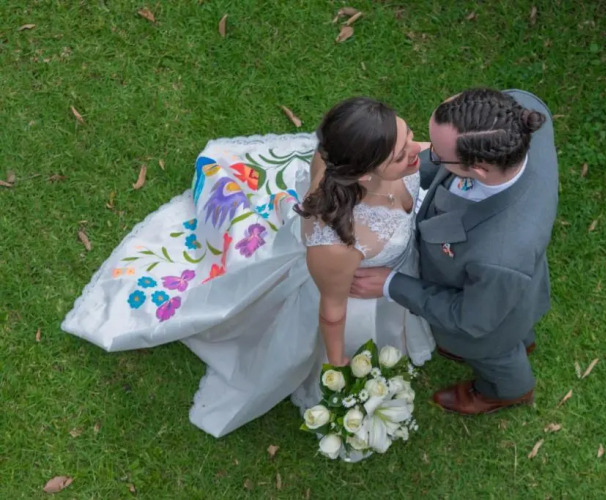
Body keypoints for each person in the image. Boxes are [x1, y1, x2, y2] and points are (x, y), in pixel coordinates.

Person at [62, 97, 434, 438]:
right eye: (401, 154)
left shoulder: (382, 158)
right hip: (353, 296)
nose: (417, 149)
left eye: (408, 136)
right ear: (365, 175)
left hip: (384, 271)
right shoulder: (337, 244)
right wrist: (338, 364)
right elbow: (332, 312)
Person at [351, 88, 558, 415]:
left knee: (496, 351)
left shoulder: (499, 255)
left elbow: (471, 319)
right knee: (516, 323)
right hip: (509, 285)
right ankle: (522, 336)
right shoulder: (518, 111)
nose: (425, 152)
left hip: (487, 316)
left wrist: (390, 284)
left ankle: (507, 391)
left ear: (479, 169)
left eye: (437, 153)